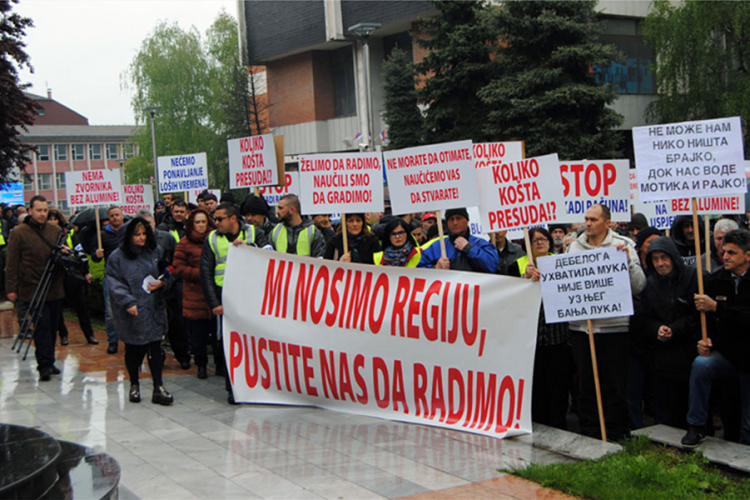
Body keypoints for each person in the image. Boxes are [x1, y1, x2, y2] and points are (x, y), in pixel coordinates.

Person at [567, 204, 646, 441]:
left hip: (614, 327)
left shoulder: (623, 245)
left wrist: (628, 262)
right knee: (587, 384)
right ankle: (590, 432)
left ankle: (616, 433)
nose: (588, 223)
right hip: (582, 328)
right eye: (586, 218)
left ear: (607, 222)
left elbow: (639, 286)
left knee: (614, 383)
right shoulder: (573, 248)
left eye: (593, 219)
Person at [682, 229, 750, 447]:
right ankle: (696, 425)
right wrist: (704, 339)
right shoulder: (716, 280)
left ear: (747, 255)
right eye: (724, 251)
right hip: (727, 356)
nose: (725, 256)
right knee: (702, 364)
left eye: (732, 252)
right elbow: (698, 318)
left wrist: (717, 307)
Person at [201, 202, 269, 403]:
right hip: (225, 297)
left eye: (220, 219)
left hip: (252, 296)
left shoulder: (255, 234)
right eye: (215, 218)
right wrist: (214, 303)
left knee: (254, 342)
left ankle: (256, 386)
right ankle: (233, 388)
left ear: (233, 219)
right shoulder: (212, 239)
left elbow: (270, 256)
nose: (216, 222)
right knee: (230, 344)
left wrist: (251, 249)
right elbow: (205, 273)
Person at [509, 227, 573, 429]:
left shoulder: (562, 263)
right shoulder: (517, 265)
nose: (539, 243)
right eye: (534, 240)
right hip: (532, 342)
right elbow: (508, 298)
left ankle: (559, 426)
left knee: (558, 389)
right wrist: (523, 280)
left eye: (543, 239)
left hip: (558, 340)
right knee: (537, 390)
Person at [106, 217, 173, 405]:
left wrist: (163, 282)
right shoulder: (117, 258)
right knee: (134, 349)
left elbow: (168, 270)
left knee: (155, 347)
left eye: (144, 234)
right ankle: (134, 383)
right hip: (132, 310)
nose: (141, 238)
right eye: (137, 235)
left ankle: (158, 386)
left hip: (153, 307)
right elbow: (114, 282)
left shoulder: (155, 251)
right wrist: (128, 302)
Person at [637, 237, 699, 428]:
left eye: (664, 257)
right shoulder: (649, 284)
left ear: (673, 257)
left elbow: (697, 315)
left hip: (689, 350)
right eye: (655, 259)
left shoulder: (694, 277)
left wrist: (676, 329)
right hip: (661, 356)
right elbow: (643, 317)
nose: (660, 263)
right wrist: (656, 329)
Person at [5, 196, 65, 381]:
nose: (42, 214)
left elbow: (62, 251)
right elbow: (12, 262)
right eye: (39, 210)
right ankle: (43, 364)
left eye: (45, 210)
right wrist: (11, 288)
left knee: (53, 326)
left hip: (53, 286)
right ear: (31, 211)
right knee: (41, 327)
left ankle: (50, 360)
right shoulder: (19, 232)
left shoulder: (55, 230)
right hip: (32, 288)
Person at [139, 210, 191, 369]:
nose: (147, 229)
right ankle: (155, 356)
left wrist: (165, 280)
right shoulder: (135, 243)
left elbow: (176, 263)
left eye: (149, 224)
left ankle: (183, 356)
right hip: (146, 289)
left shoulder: (167, 239)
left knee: (176, 323)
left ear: (154, 222)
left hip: (169, 288)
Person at [173, 208, 217, 380]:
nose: (200, 225)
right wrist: (199, 274)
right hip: (195, 296)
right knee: (198, 337)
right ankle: (201, 366)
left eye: (203, 222)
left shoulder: (216, 239)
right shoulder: (184, 243)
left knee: (217, 335)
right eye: (197, 222)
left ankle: (220, 364)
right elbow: (178, 266)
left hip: (214, 296)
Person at [47, 208, 98, 346]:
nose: (53, 222)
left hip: (71, 273)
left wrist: (86, 271)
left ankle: (89, 335)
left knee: (81, 307)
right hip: (54, 275)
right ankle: (63, 335)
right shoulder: (44, 234)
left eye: (55, 219)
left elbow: (79, 252)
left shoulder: (68, 232)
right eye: (50, 219)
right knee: (58, 309)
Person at [418, 208, 498, 273]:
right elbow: (419, 273)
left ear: (466, 220)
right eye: (451, 219)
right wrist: (435, 268)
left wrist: (468, 248)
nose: (455, 222)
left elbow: (493, 266)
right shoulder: (436, 247)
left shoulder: (480, 243)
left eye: (458, 218)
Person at [92, 205, 126, 354]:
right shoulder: (102, 235)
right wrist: (96, 255)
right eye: (112, 216)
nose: (115, 218)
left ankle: (132, 340)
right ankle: (112, 341)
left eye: (117, 215)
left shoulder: (130, 232)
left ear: (122, 216)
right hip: (111, 277)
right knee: (110, 312)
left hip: (129, 277)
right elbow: (95, 259)